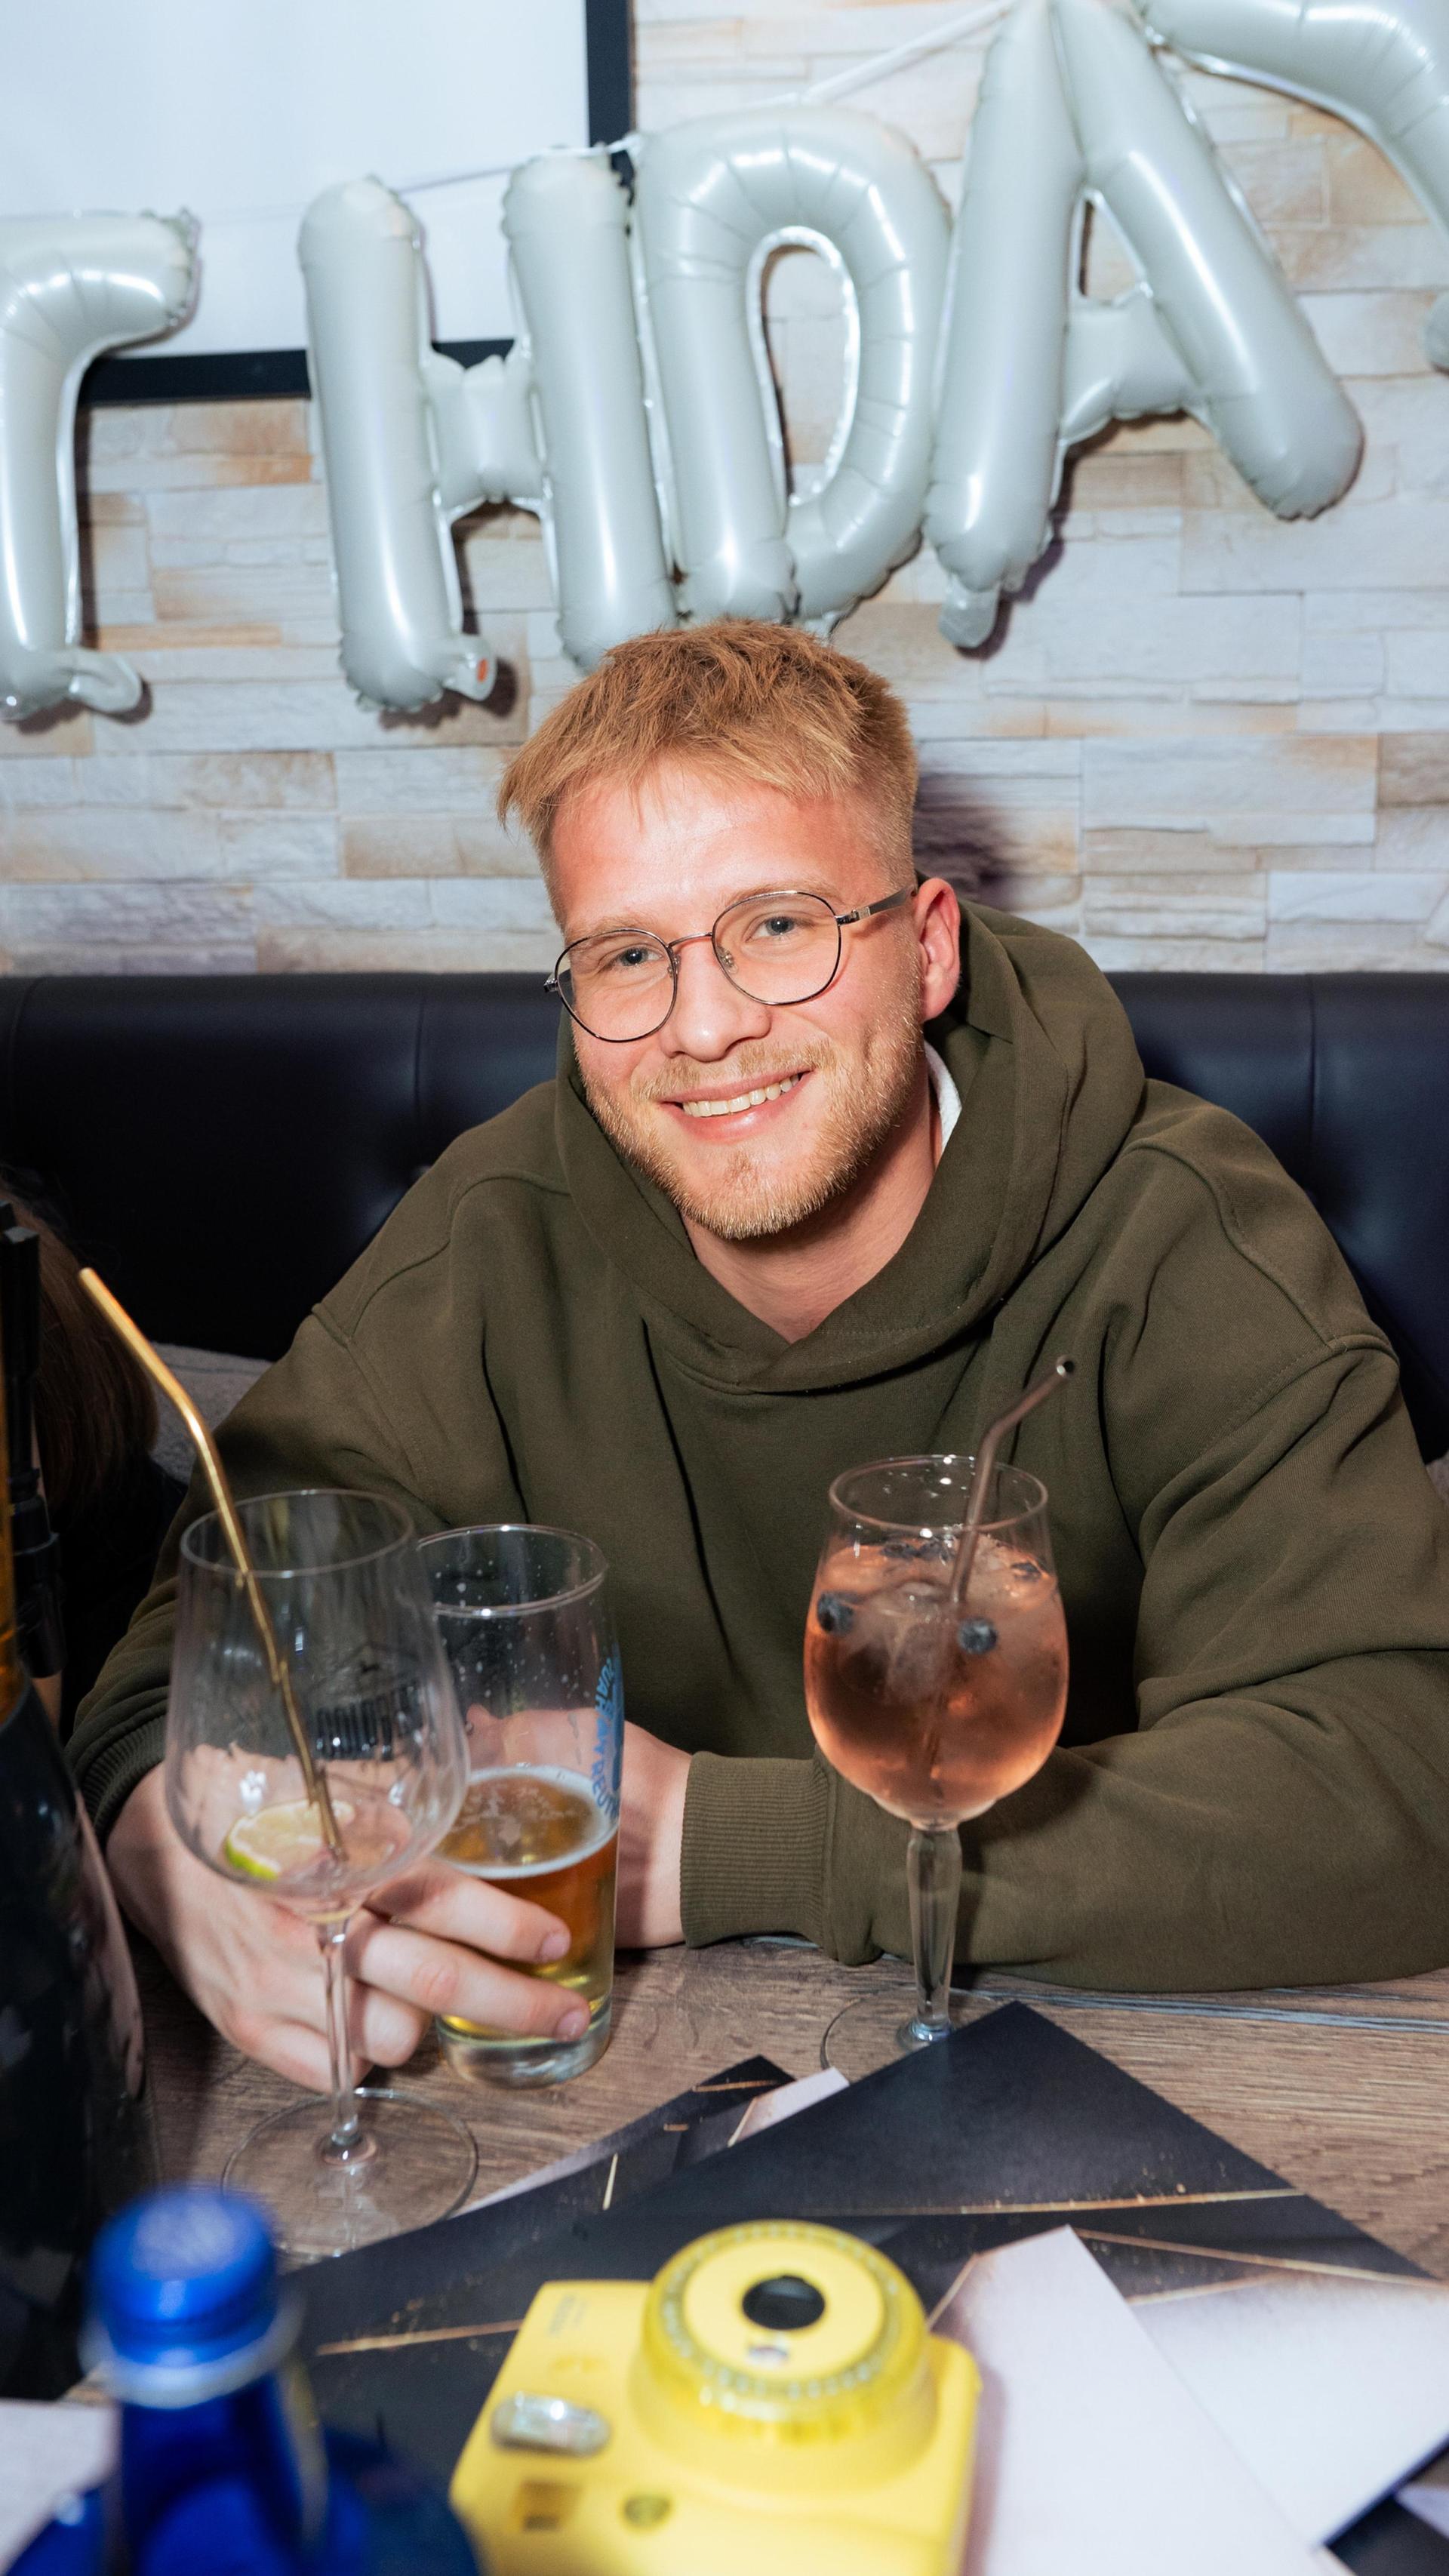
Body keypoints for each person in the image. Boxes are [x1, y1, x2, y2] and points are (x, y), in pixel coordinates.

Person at [72, 621, 1449, 2092]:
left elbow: (1400, 1780)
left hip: (1087, 2076)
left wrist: (730, 1845)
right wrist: (166, 1840)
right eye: (627, 956)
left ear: (926, 950)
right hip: (588, 2102)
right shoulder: (490, 1233)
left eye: (779, 925)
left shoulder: (1183, 1237)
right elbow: (192, 1649)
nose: (709, 1027)